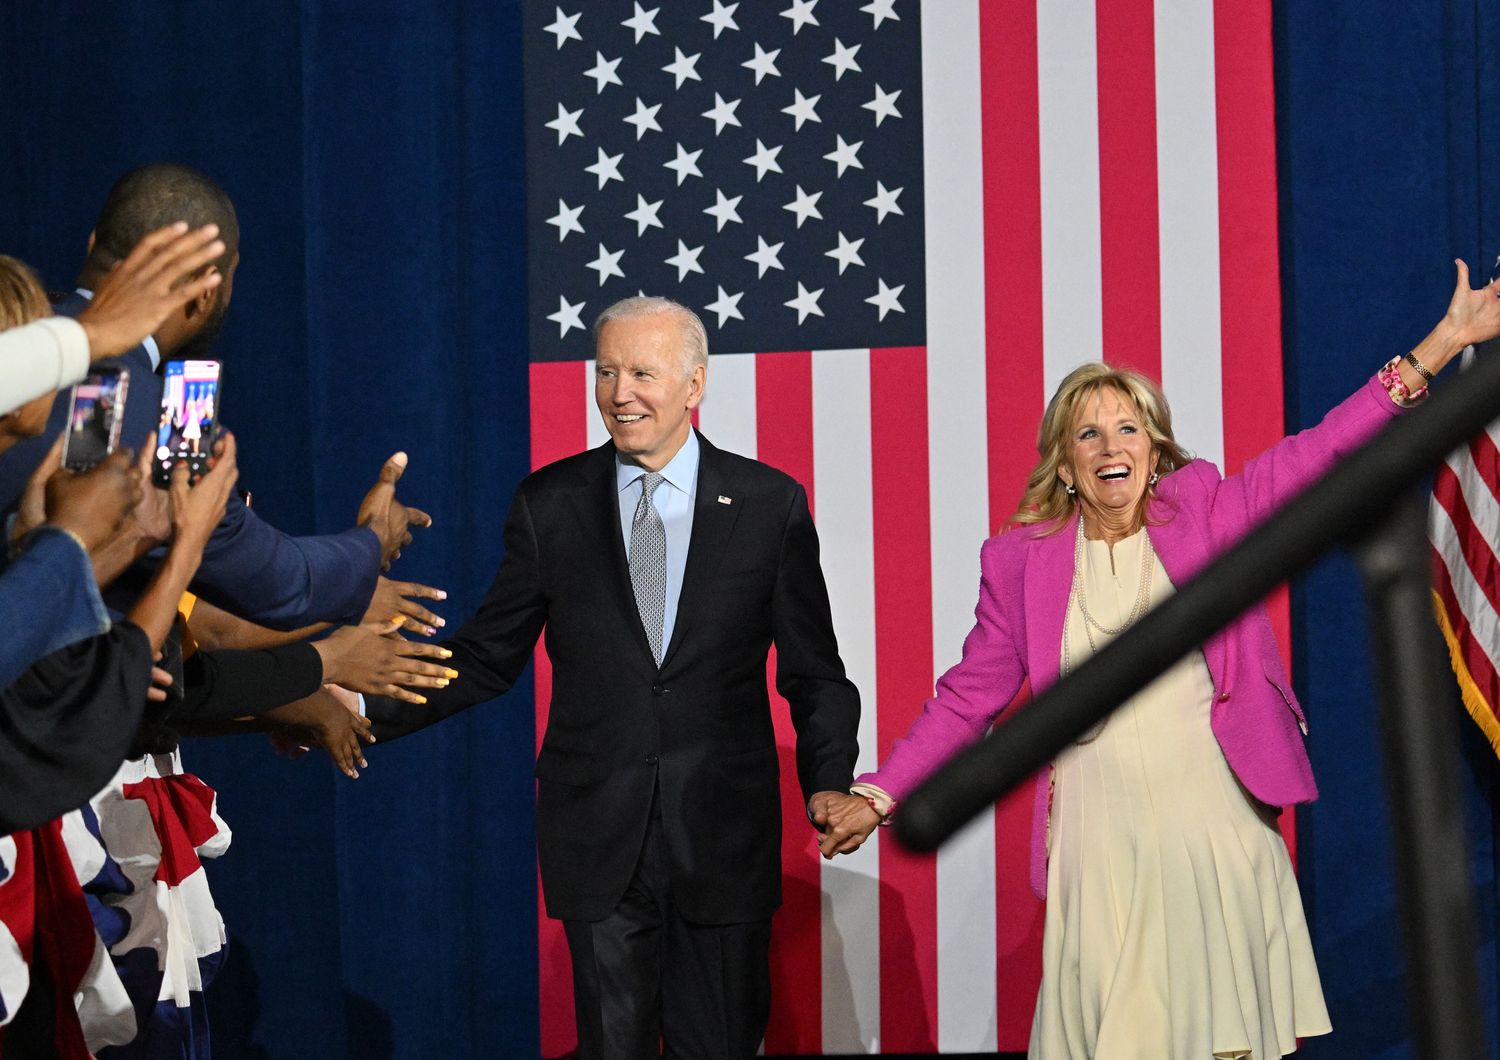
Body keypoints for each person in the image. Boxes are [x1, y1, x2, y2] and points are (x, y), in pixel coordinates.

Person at [816, 262, 1500, 1059]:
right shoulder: (1019, 563)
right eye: (1090, 434)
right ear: (1065, 466)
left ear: (1156, 447)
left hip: (1211, 825)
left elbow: (1324, 451)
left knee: (1224, 1040)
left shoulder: (1208, 509)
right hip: (1096, 846)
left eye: (1129, 428)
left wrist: (1444, 342)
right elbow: (969, 697)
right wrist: (881, 793)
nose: (1113, 446)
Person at [363, 296, 862, 1058]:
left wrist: (830, 776)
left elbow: (814, 671)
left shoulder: (768, 505)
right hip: (598, 836)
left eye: (641, 372)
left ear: (694, 385)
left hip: (722, 839)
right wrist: (351, 701)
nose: (620, 392)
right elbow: (486, 657)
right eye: (605, 373)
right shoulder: (549, 505)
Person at [0, 163, 422, 628]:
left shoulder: (15, 336)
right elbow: (281, 583)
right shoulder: (178, 420)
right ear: (205, 292)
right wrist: (373, 539)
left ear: (94, 243)